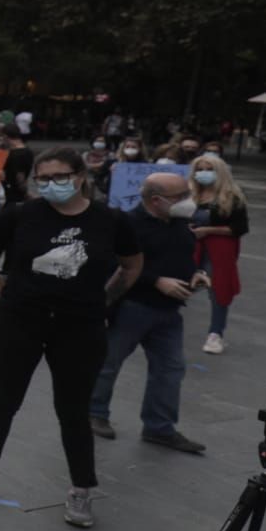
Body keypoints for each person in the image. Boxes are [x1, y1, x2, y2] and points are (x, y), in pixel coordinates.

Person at [0, 148, 140, 528]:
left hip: (80, 327)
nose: (50, 185)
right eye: (42, 179)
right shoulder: (22, 214)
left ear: (79, 177)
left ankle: (81, 489)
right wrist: (1, 288)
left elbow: (131, 264)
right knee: (3, 400)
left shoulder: (110, 220)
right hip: (19, 320)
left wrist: (105, 300)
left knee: (73, 410)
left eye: (59, 177)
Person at [88, 171, 209, 453]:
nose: (188, 201)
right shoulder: (128, 224)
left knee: (170, 369)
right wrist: (157, 281)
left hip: (169, 311)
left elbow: (186, 255)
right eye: (180, 196)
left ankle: (159, 427)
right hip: (134, 306)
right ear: (156, 200)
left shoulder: (180, 222)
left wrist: (197, 275)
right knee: (109, 362)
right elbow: (114, 265)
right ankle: (94, 412)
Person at [187, 153, 248, 354]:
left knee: (218, 290)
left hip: (218, 251)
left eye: (209, 169)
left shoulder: (233, 197)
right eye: (200, 169)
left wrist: (208, 231)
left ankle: (216, 334)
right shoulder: (188, 193)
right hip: (189, 248)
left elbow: (239, 228)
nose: (204, 173)